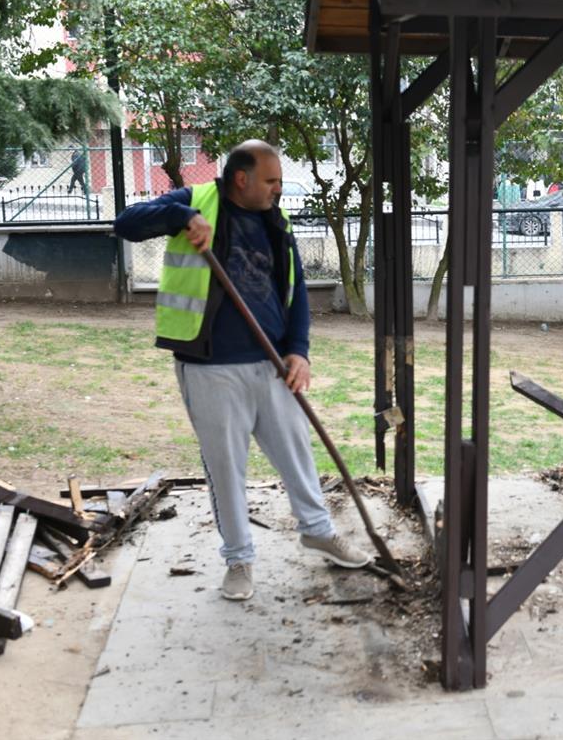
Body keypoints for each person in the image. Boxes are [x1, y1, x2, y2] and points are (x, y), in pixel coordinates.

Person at [113, 139, 370, 601]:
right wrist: (181, 219)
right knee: (226, 467)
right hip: (210, 365)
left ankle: (317, 530)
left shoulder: (277, 220)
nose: (279, 188)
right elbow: (126, 223)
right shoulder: (195, 200)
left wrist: (300, 351)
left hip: (272, 362)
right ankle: (239, 559)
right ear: (241, 179)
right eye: (271, 180)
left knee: (297, 454)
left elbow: (293, 294)